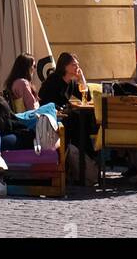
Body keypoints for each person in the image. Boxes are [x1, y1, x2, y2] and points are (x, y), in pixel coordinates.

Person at [39, 52, 95, 183]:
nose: (77, 67)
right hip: (52, 118)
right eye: (73, 65)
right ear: (64, 66)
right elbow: (45, 101)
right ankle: (81, 158)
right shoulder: (54, 80)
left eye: (77, 65)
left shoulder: (71, 83)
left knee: (83, 120)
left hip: (64, 116)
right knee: (77, 121)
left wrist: (82, 78)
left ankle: (83, 157)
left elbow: (87, 98)